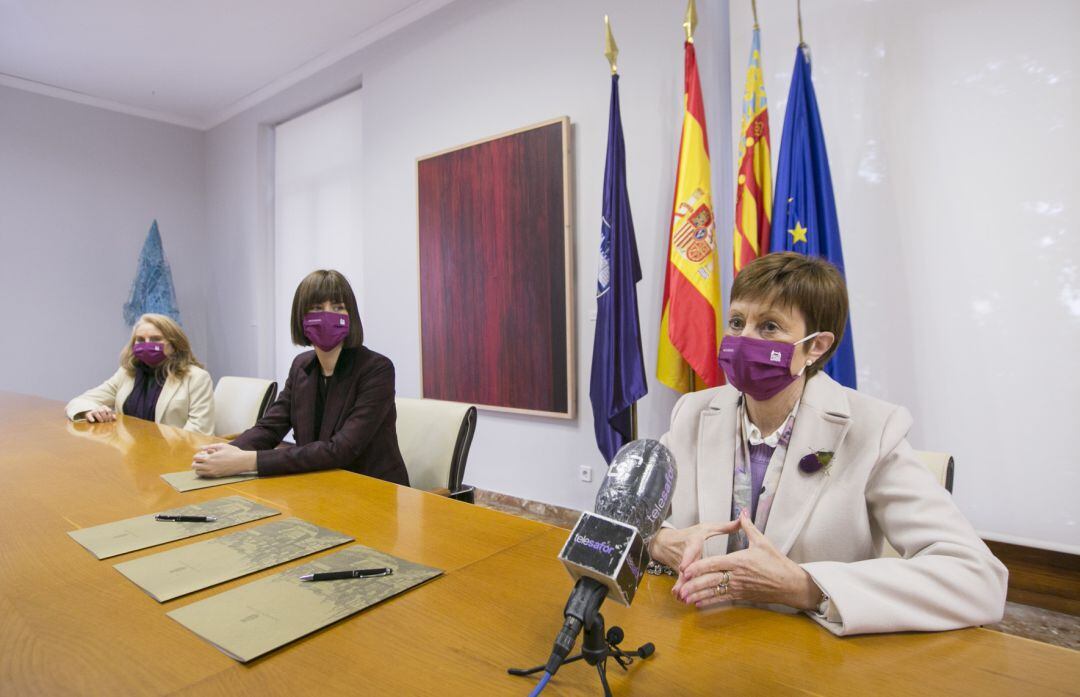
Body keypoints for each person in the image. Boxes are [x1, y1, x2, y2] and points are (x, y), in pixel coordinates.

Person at [649, 252, 1007, 636]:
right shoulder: (692, 412)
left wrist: (806, 587)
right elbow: (620, 519)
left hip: (810, 657)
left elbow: (978, 579)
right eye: (737, 322)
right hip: (698, 639)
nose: (743, 340)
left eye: (769, 327)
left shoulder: (873, 429)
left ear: (816, 346)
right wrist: (660, 540)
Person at [192, 269, 409, 485]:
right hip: (317, 484)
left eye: (338, 307)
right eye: (316, 308)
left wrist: (249, 461)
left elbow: (342, 449)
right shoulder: (301, 366)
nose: (327, 316)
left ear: (350, 315)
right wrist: (228, 451)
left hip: (372, 491)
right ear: (301, 318)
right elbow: (270, 427)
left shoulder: (377, 369)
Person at [65, 314, 214, 434]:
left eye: (155, 339)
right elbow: (80, 401)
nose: (147, 344)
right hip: (132, 455)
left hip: (174, 457)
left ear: (174, 345)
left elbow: (199, 432)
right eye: (140, 340)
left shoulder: (196, 378)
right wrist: (92, 411)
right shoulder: (127, 373)